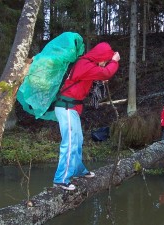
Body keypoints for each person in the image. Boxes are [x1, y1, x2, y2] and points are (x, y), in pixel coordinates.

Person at [53, 42, 120, 190]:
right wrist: (114, 61)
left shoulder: (87, 64)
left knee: (77, 140)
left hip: (72, 108)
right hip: (66, 107)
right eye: (105, 60)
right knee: (70, 142)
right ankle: (61, 179)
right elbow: (106, 72)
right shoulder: (85, 64)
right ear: (100, 56)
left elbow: (93, 77)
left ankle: (77, 170)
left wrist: (100, 78)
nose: (104, 63)